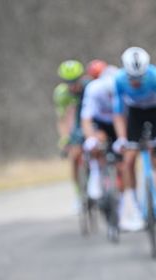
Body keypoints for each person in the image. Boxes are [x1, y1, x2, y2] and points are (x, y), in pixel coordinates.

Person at [112, 47, 156, 231]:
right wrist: (122, 138)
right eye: (132, 78)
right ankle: (132, 204)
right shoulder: (118, 79)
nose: (136, 82)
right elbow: (118, 112)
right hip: (135, 114)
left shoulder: (155, 75)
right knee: (128, 160)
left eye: (139, 77)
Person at [53, 60, 91, 205]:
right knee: (74, 156)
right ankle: (78, 193)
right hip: (75, 124)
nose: (72, 85)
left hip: (90, 121)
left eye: (75, 81)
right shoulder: (61, 93)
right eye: (68, 82)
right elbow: (62, 118)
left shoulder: (89, 87)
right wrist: (64, 139)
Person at [80, 64, 120, 201]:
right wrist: (90, 138)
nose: (110, 97)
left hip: (117, 122)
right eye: (108, 94)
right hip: (100, 122)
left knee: (123, 155)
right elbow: (86, 118)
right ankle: (96, 174)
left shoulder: (122, 88)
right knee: (98, 142)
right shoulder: (93, 89)